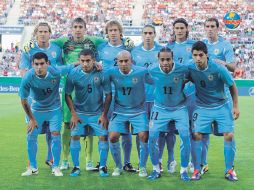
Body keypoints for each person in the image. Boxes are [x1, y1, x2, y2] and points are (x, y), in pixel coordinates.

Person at [51, 17, 105, 171]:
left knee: (87, 126)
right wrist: (32, 46)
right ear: (71, 28)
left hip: (89, 88)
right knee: (68, 125)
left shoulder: (93, 40)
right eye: (75, 26)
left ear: (85, 28)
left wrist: (126, 41)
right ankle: (65, 159)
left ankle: (88, 160)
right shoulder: (63, 42)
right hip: (71, 88)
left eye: (81, 26)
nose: (78, 29)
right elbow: (47, 43)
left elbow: (110, 42)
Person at [189, 41, 239, 182]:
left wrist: (235, 106)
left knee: (229, 135)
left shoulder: (218, 68)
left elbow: (232, 85)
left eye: (201, 55)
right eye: (195, 55)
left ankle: (229, 170)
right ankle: (197, 169)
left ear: (207, 55)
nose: (198, 58)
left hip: (221, 105)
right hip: (202, 107)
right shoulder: (190, 68)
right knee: (197, 135)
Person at [19, 52, 73, 177]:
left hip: (54, 109)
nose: (39, 67)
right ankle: (33, 167)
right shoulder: (28, 77)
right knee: (31, 135)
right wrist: (32, 119)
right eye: (36, 64)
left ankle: (56, 167)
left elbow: (73, 66)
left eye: (42, 64)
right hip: (36, 110)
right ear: (32, 64)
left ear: (47, 63)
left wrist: (96, 64)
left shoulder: (55, 71)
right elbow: (23, 100)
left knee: (55, 134)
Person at [20, 22, 63, 167]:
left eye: (45, 31)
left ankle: (51, 158)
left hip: (51, 96)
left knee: (53, 130)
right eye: (40, 31)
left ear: (50, 33)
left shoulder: (56, 49)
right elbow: (24, 71)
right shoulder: (29, 50)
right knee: (33, 129)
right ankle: (31, 161)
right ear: (36, 34)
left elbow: (59, 68)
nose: (43, 34)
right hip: (34, 99)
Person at [65, 49, 112, 177]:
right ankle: (76, 166)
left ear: (93, 60)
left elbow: (108, 95)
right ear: (79, 61)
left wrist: (104, 115)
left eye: (88, 61)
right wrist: (73, 114)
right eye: (82, 61)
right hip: (79, 113)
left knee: (103, 137)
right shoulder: (73, 73)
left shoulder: (102, 73)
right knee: (74, 136)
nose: (85, 64)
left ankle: (102, 166)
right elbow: (67, 95)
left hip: (97, 113)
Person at [97, 20, 136, 172]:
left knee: (125, 130)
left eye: (115, 30)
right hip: (106, 94)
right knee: (106, 130)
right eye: (110, 30)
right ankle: (103, 163)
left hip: (124, 93)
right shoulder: (101, 48)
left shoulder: (128, 48)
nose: (113, 33)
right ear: (107, 33)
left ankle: (126, 163)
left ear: (120, 32)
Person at [147, 47, 191, 181]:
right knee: (152, 135)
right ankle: (155, 169)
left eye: (168, 59)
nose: (165, 62)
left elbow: (189, 78)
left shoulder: (182, 69)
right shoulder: (152, 70)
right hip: (160, 108)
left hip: (179, 108)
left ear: (173, 59)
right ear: (158, 59)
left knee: (185, 135)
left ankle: (183, 170)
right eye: (162, 59)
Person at [201, 17, 236, 175]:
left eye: (212, 26)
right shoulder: (202, 46)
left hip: (223, 96)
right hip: (204, 98)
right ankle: (203, 164)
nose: (209, 29)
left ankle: (229, 169)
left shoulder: (225, 45)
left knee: (228, 133)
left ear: (217, 28)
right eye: (207, 26)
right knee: (203, 133)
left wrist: (220, 63)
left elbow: (233, 67)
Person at [107, 50, 151, 177]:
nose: (124, 64)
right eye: (121, 61)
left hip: (138, 111)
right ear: (117, 62)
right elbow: (99, 74)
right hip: (119, 111)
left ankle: (142, 167)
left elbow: (156, 80)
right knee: (113, 136)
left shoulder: (141, 71)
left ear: (131, 61)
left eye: (126, 61)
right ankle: (118, 166)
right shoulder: (111, 72)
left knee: (143, 135)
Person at [166, 18, 196, 173]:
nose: (179, 30)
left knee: (190, 129)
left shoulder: (193, 46)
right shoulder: (168, 47)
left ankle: (191, 161)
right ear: (173, 29)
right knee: (170, 129)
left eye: (181, 28)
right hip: (172, 95)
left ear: (186, 29)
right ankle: (171, 160)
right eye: (176, 27)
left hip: (190, 93)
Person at [131, 24, 162, 170]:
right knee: (140, 133)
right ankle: (140, 161)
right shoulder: (134, 52)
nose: (148, 35)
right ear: (142, 35)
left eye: (150, 33)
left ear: (155, 34)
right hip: (140, 100)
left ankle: (158, 160)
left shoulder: (161, 51)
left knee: (158, 132)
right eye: (145, 33)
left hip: (158, 99)